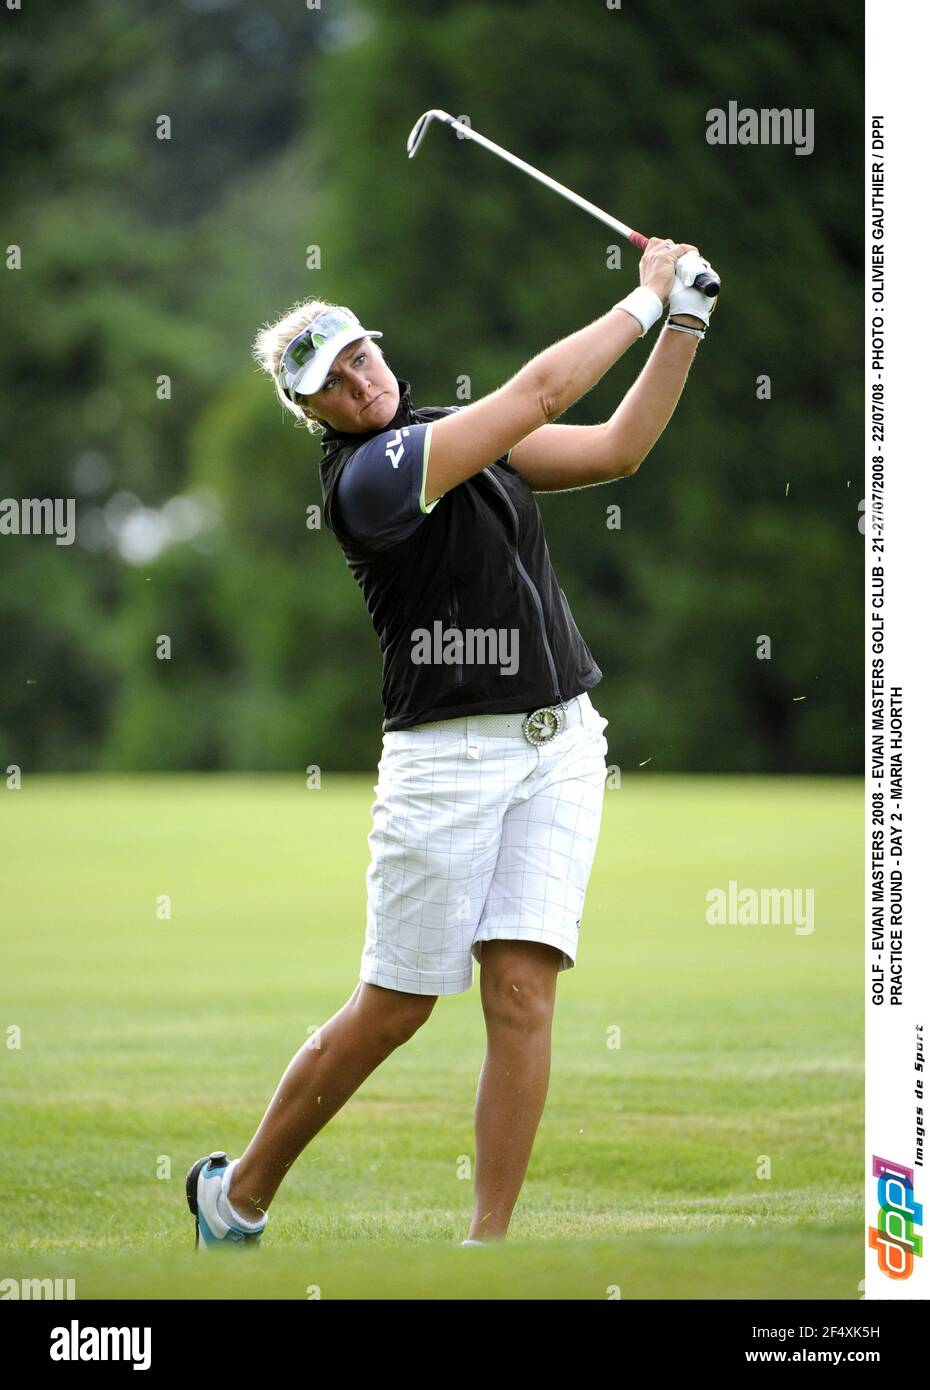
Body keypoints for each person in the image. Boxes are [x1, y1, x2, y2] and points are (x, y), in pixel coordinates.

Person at [187, 237, 719, 1249]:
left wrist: (685, 325)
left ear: (376, 346)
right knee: (395, 1007)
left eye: (359, 355)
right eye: (331, 383)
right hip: (447, 759)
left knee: (522, 995)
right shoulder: (370, 478)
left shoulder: (444, 431)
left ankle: (488, 1252)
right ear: (310, 413)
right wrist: (643, 302)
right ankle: (239, 1193)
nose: (358, 380)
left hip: (559, 740)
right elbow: (536, 393)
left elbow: (614, 449)